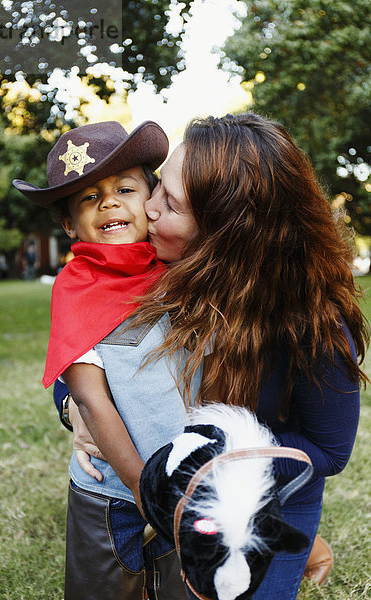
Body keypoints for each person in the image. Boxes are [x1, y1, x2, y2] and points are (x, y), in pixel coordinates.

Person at [61, 112, 368, 600]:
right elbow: (91, 339)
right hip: (174, 486)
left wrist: (217, 459)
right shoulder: (158, 268)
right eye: (157, 187)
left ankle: (302, 549)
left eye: (173, 204)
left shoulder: (313, 322)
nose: (150, 209)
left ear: (226, 230)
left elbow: (329, 450)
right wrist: (75, 405)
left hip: (261, 493)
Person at [14, 120, 198, 600]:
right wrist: (146, 494)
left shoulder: (185, 272)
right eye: (89, 197)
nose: (110, 202)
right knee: (105, 586)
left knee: (186, 586)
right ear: (70, 224)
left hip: (186, 478)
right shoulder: (76, 289)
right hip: (114, 488)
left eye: (124, 188)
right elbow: (88, 397)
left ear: (154, 199)